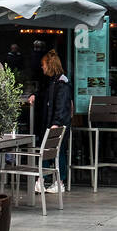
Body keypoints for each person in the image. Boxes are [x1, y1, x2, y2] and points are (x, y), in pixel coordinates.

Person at [36, 49, 72, 194]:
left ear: (49, 65)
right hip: (55, 124)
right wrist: (35, 95)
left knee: (55, 151)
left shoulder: (61, 83)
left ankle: (56, 182)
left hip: (57, 125)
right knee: (54, 152)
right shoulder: (55, 82)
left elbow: (62, 106)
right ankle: (50, 181)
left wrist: (55, 124)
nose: (42, 67)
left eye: (43, 64)